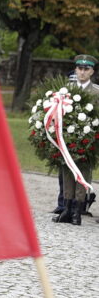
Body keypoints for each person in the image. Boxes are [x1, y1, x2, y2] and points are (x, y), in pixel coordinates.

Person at [52, 54, 99, 226]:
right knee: (66, 171)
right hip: (68, 139)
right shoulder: (66, 89)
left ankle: (78, 210)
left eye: (86, 69)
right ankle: (66, 207)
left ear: (92, 71)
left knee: (82, 173)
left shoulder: (96, 92)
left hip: (87, 141)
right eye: (79, 68)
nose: (82, 72)